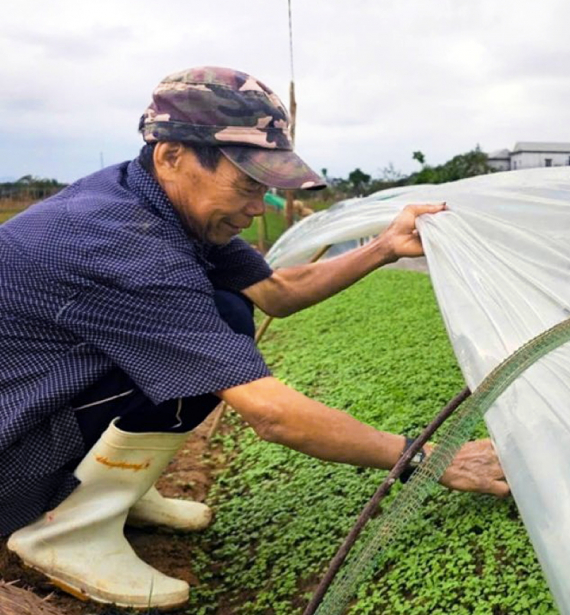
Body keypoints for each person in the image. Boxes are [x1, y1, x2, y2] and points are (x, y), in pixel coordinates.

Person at [0, 67, 508, 609]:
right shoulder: (119, 241)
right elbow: (271, 413)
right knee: (212, 344)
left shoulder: (162, 202)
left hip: (33, 403)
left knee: (227, 313)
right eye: (246, 183)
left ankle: (114, 493)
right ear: (171, 155)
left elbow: (277, 292)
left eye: (265, 186)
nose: (255, 204)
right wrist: (432, 457)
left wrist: (384, 246)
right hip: (14, 455)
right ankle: (61, 527)